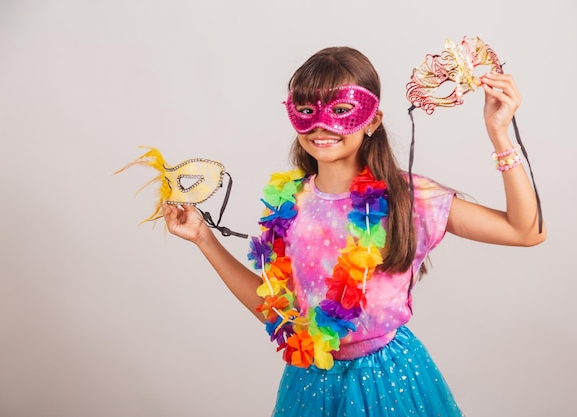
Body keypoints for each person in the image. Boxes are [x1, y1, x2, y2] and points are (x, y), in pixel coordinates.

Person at [162, 46, 546, 417]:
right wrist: (203, 238)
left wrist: (500, 134)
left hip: (389, 381)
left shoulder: (408, 198)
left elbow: (525, 231)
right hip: (311, 379)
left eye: (342, 110)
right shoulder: (288, 204)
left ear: (373, 119)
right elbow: (276, 311)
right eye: (306, 109)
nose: (321, 124)